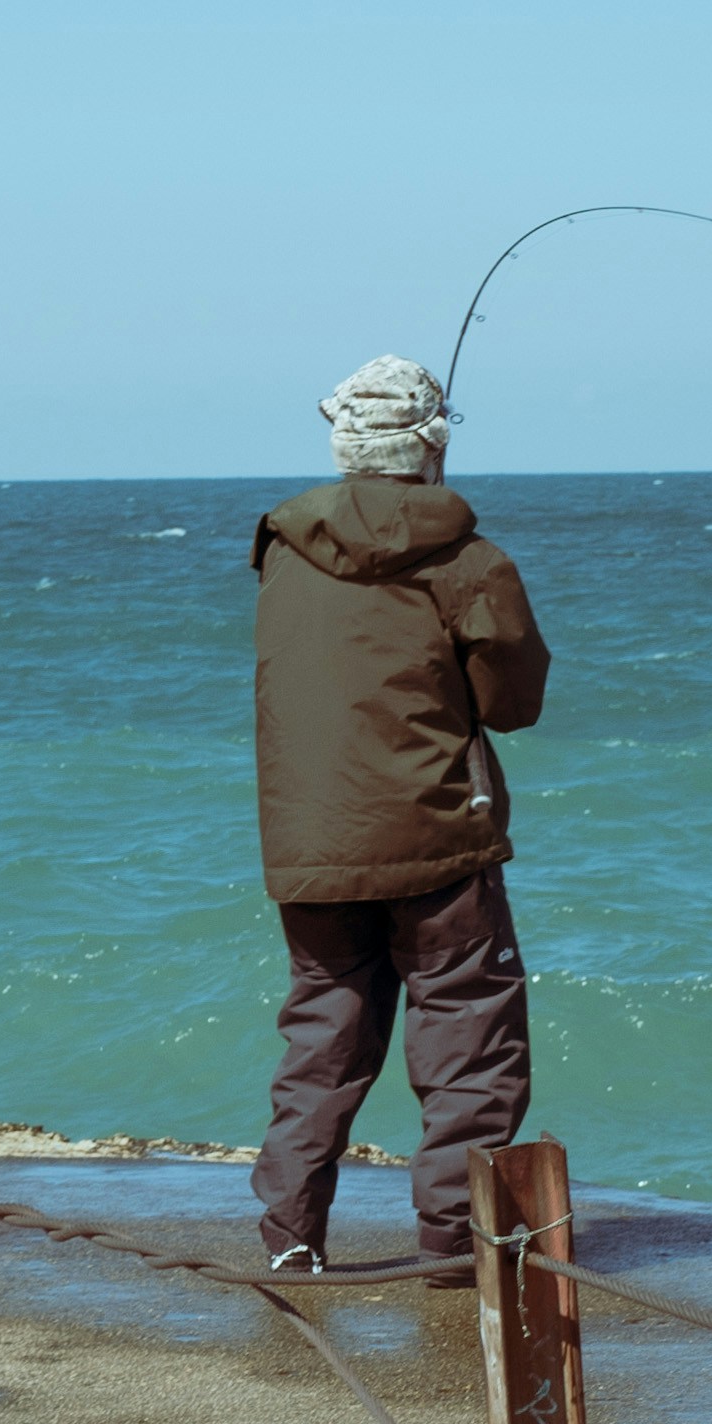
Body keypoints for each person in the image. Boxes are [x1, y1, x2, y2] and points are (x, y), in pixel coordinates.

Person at [248, 354, 551, 1284]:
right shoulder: (469, 562)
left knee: (321, 1040)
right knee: (467, 1046)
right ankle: (457, 1251)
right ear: (431, 445)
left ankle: (291, 1240)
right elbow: (512, 703)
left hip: (309, 843)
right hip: (437, 841)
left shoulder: (282, 552)